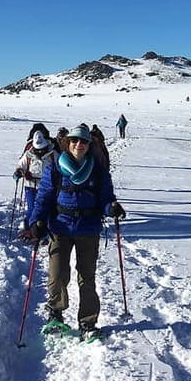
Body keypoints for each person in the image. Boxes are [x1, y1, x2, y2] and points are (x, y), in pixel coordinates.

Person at [20, 123, 126, 342]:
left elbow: (106, 199)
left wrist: (112, 208)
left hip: (88, 228)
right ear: (67, 143)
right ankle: (55, 315)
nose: (79, 144)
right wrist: (36, 221)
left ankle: (88, 323)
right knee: (57, 274)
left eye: (84, 141)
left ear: (89, 145)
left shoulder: (98, 171)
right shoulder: (55, 169)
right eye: (75, 140)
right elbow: (44, 198)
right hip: (59, 227)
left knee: (87, 277)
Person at [14, 130, 59, 229]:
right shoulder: (28, 155)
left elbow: (60, 168)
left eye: (42, 149)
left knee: (47, 208)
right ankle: (30, 229)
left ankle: (46, 230)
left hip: (48, 187)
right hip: (31, 186)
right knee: (32, 209)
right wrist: (18, 172)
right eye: (37, 149)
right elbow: (21, 166)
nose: (40, 151)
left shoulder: (53, 155)